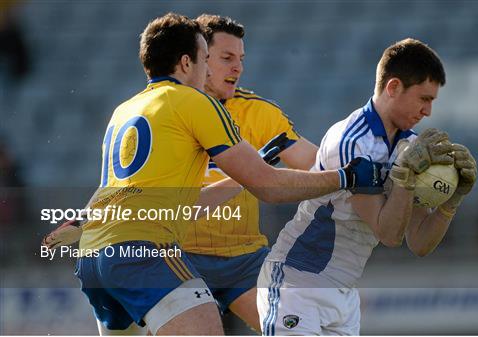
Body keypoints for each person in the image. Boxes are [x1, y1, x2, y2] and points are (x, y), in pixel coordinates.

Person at [45, 13, 381, 336]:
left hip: (100, 255)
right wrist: (348, 177)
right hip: (151, 252)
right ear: (187, 62)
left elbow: (126, 193)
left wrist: (80, 222)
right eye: (210, 58)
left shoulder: (127, 109)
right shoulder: (195, 103)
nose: (228, 68)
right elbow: (270, 186)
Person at [257, 38, 478, 335]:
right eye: (423, 98)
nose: (427, 111)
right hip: (298, 283)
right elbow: (387, 233)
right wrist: (404, 176)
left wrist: (452, 202)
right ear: (393, 87)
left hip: (344, 294)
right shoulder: (351, 142)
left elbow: (420, 242)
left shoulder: (409, 146)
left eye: (432, 101)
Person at [180, 14, 319, 332]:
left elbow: (317, 164)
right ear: (198, 59)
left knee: (303, 331)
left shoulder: (257, 113)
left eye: (240, 59)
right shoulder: (167, 113)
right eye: (227, 58)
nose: (238, 68)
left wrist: (380, 170)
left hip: (244, 261)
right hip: (179, 260)